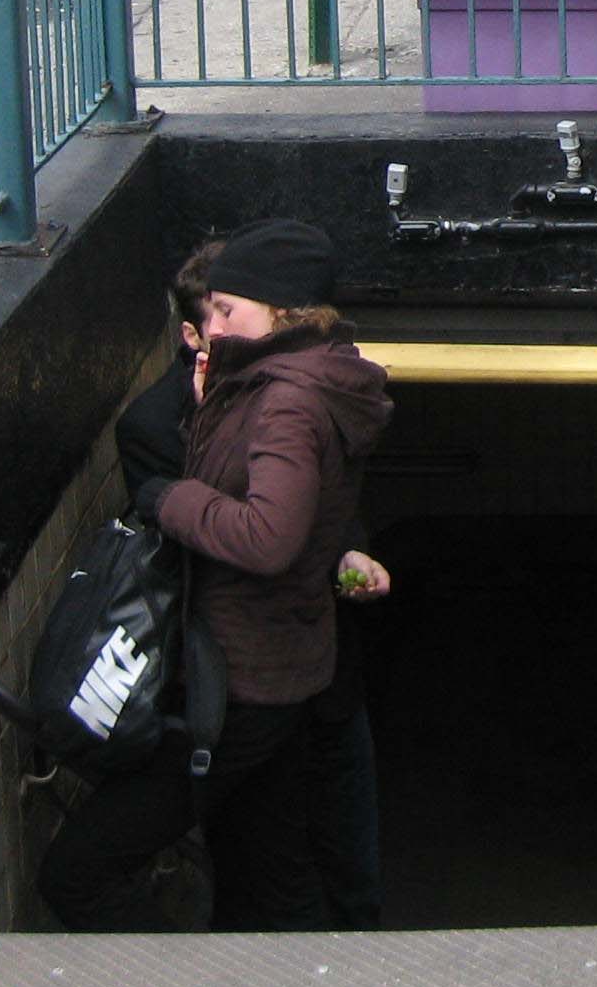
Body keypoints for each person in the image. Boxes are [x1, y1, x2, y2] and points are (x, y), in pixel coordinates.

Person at [38, 218, 392, 933]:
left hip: (237, 685)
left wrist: (170, 498)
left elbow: (268, 537)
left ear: (285, 313)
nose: (211, 325)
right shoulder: (288, 380)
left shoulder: (288, 401)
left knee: (77, 873)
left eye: (229, 310)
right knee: (266, 874)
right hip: (279, 673)